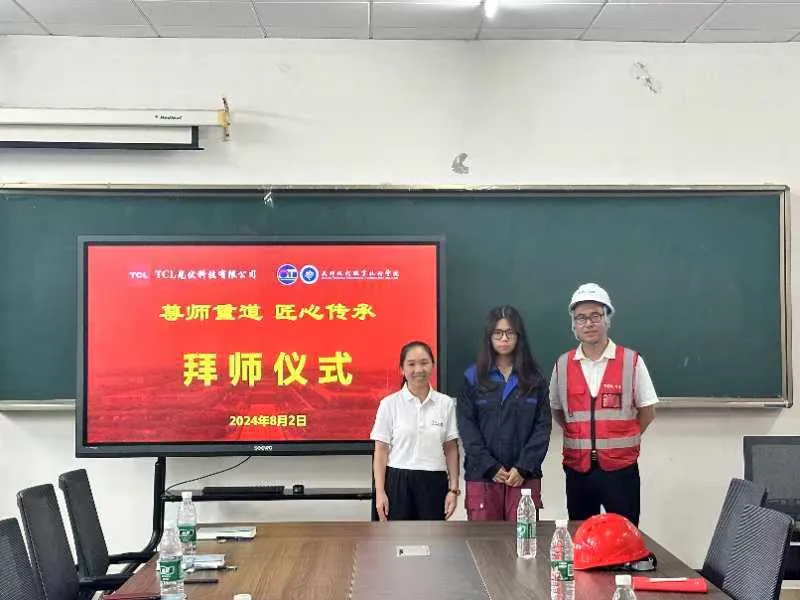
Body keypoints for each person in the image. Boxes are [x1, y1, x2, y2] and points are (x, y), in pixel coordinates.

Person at [550, 283, 658, 527]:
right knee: (582, 536)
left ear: (607, 319)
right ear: (574, 325)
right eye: (581, 318)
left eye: (595, 316)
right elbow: (558, 411)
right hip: (578, 470)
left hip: (621, 469)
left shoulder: (631, 361)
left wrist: (623, 436)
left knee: (624, 536)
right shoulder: (562, 365)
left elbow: (648, 411)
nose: (588, 323)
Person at [456, 305, 552, 521]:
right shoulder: (473, 378)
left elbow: (542, 427)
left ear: (519, 336)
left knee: (523, 539)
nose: (504, 339)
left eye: (510, 333)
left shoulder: (534, 379)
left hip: (524, 477)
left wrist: (523, 467)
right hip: (483, 476)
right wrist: (490, 466)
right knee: (485, 541)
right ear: (489, 337)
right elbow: (467, 427)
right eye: (498, 333)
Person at [370, 341, 460, 521]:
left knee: (433, 537)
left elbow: (451, 448)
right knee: (395, 536)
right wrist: (380, 492)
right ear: (402, 369)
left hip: (434, 482)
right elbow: (380, 451)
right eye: (411, 364)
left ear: (433, 365)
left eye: (424, 363)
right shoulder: (389, 404)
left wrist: (453, 490)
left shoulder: (445, 403)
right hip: (397, 482)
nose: (418, 369)